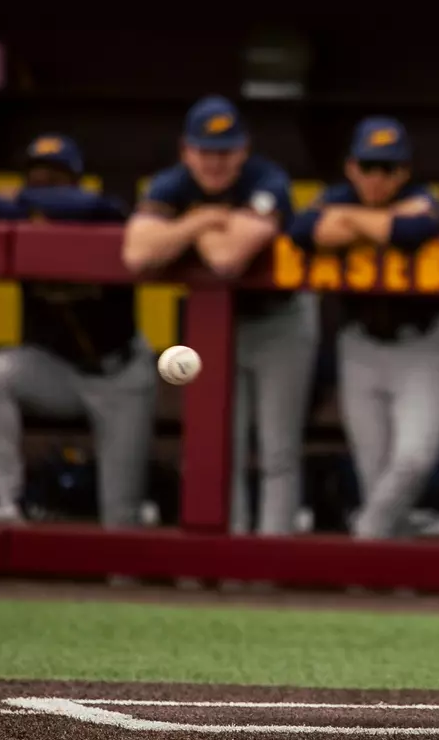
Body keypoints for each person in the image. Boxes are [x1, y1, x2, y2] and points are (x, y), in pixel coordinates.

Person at [124, 95, 317, 535]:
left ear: (243, 150)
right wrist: (204, 220)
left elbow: (228, 259)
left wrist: (188, 228)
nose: (215, 163)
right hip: (215, 328)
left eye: (225, 152)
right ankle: (221, 553)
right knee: (218, 443)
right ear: (186, 150)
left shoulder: (267, 180)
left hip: (279, 322)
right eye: (205, 152)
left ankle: (271, 558)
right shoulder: (171, 183)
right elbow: (136, 253)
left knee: (277, 449)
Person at [0, 134, 156, 527]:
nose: (43, 187)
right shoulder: (23, 222)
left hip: (121, 376)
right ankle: (6, 499)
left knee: (121, 517)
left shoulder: (100, 216)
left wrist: (25, 200)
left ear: (75, 181)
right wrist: (16, 204)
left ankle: (124, 584)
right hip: (60, 372)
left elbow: (101, 206)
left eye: (54, 179)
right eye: (35, 178)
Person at [291, 117, 439, 540]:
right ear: (351, 167)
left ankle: (364, 539)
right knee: (374, 471)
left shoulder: (423, 195)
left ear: (403, 171)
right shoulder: (339, 195)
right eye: (368, 167)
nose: (377, 178)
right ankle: (390, 577)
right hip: (361, 345)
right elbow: (302, 231)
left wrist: (352, 222)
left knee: (414, 459)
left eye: (388, 169)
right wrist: (370, 220)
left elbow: (415, 228)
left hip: (423, 343)